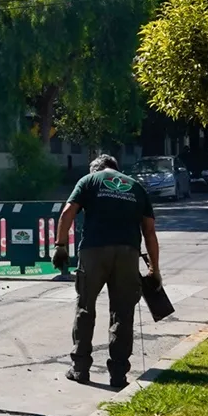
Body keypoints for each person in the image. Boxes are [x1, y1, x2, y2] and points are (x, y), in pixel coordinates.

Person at [53, 154, 160, 389]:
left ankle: (80, 369)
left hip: (93, 252)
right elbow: (149, 231)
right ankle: (118, 375)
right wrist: (154, 268)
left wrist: (60, 246)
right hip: (127, 253)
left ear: (96, 169)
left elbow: (67, 213)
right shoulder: (136, 186)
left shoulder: (89, 181)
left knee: (85, 307)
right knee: (123, 313)